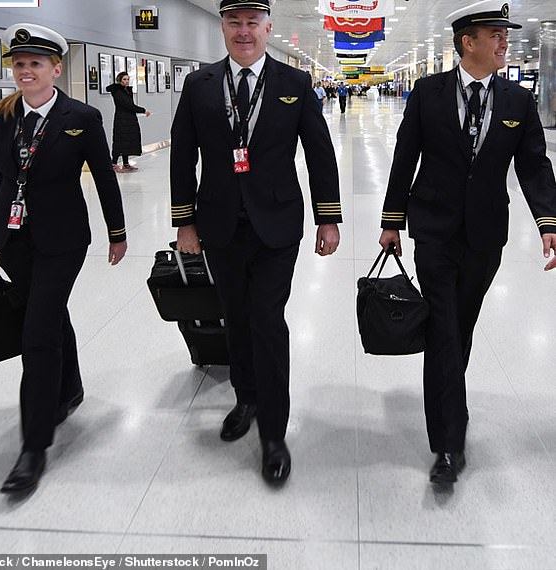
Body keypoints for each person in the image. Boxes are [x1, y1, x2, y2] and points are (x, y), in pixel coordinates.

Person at [378, 0, 556, 488]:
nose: (504, 42)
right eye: (494, 34)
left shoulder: (517, 102)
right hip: (433, 231)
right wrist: (392, 220)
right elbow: (404, 157)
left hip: (484, 237)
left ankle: (449, 399)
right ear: (467, 42)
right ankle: (447, 444)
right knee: (443, 329)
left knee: (462, 324)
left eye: (505, 34)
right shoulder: (427, 93)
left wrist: (548, 222)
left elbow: (535, 167)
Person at [171, 0, 341, 485]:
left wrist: (328, 217)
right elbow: (182, 154)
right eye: (233, 22)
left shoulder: (293, 84)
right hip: (220, 224)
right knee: (236, 316)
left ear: (269, 28)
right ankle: (245, 397)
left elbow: (320, 151)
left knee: (267, 319)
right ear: (222, 26)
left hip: (277, 225)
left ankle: (273, 431)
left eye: (252, 23)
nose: (243, 32)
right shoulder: (200, 84)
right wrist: (185, 222)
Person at [0, 23, 128, 495]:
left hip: (62, 241)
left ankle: (33, 447)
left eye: (35, 64)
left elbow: (104, 176)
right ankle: (69, 388)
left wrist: (117, 233)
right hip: (14, 240)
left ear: (56, 69)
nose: (25, 71)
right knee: (49, 315)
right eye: (19, 64)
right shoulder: (3, 118)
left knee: (36, 331)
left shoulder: (81, 116)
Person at [106, 71, 151, 172]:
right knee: (119, 141)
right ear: (119, 80)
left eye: (128, 79)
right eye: (124, 79)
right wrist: (143, 110)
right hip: (121, 120)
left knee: (127, 141)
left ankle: (126, 163)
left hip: (129, 119)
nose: (126, 81)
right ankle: (114, 164)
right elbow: (128, 105)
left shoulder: (126, 91)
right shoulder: (117, 92)